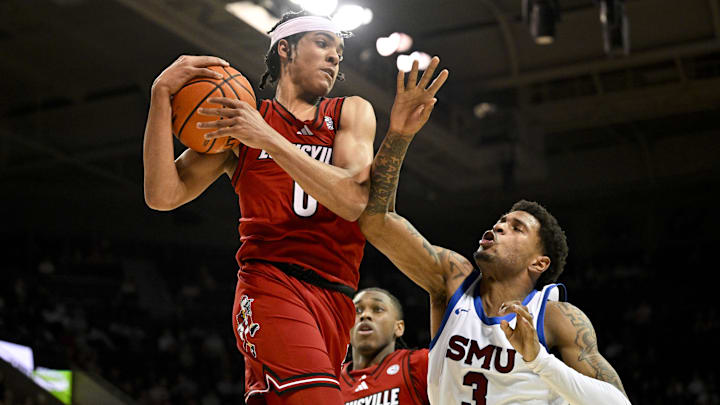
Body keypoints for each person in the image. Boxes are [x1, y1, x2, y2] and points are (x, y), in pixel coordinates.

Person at [142, 9, 447, 405]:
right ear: (285, 49)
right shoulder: (243, 119)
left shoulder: (350, 112)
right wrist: (160, 96)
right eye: (322, 44)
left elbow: (354, 200)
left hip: (337, 297)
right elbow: (162, 196)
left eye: (338, 50)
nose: (335, 56)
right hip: (270, 284)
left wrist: (269, 139)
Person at [357, 61, 631, 404]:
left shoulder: (556, 317)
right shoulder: (451, 279)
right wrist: (399, 133)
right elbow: (376, 221)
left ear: (539, 263)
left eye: (516, 227)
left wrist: (539, 361)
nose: (498, 226)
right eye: (501, 221)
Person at [340, 288, 429, 405]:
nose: (365, 315)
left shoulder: (421, 363)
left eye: (378, 309)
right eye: (357, 310)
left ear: (399, 327)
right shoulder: (331, 380)